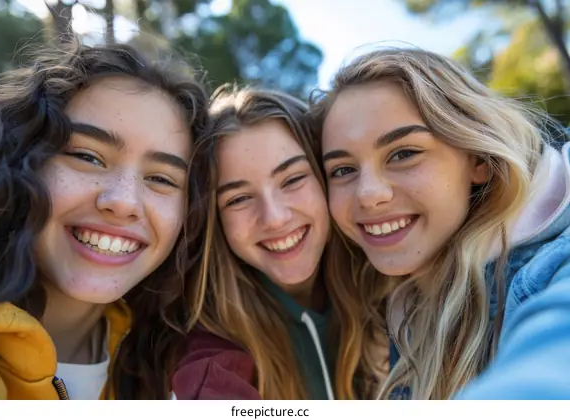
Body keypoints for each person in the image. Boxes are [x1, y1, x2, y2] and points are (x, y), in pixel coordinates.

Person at [312, 47, 570, 399]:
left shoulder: (555, 267)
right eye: (342, 170)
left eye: (403, 153)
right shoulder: (397, 307)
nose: (368, 195)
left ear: (478, 159)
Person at [0, 40, 209, 399]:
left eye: (161, 179)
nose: (124, 202)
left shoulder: (176, 365)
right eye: (88, 157)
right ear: (19, 160)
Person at [171, 85, 386, 400]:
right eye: (239, 198)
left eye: (293, 179)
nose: (274, 218)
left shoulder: (394, 289)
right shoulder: (211, 350)